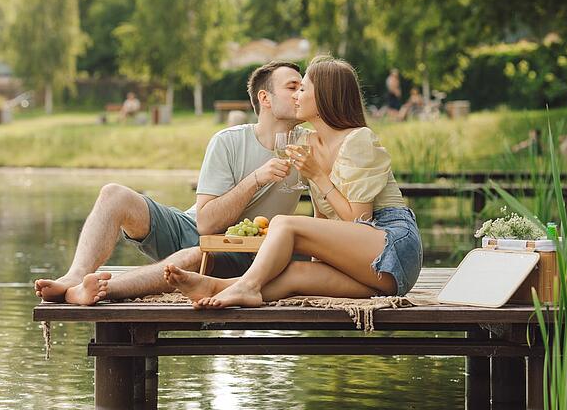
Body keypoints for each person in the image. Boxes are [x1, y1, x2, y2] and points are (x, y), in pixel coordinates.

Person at [34, 61, 305, 305]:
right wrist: (256, 179)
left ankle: (102, 290)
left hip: (241, 253)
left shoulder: (309, 145)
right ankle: (75, 277)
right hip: (194, 225)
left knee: (193, 257)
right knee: (113, 194)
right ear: (264, 98)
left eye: (303, 88)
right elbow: (206, 223)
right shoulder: (229, 141)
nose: (300, 94)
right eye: (292, 87)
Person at [163, 56, 423, 308]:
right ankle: (216, 287)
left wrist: (317, 175)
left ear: (323, 97)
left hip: (392, 246)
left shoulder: (358, 140)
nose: (296, 95)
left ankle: (246, 287)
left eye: (302, 89)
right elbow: (323, 220)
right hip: (377, 276)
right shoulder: (307, 143)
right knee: (296, 273)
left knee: (284, 224)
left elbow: (359, 221)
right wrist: (316, 263)